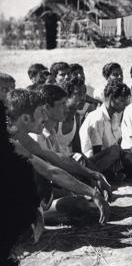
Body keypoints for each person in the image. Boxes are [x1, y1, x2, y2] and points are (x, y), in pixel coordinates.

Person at [7, 89, 110, 227]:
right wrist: (92, 193)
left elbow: (56, 158)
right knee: (37, 178)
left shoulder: (20, 135)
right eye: (41, 112)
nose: (45, 117)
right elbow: (50, 171)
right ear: (25, 118)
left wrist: (93, 174)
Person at [79, 80, 129, 180]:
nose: (125, 104)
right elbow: (96, 152)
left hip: (109, 158)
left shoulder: (114, 116)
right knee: (116, 151)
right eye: (122, 100)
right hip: (93, 162)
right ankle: (105, 175)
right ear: (111, 98)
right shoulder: (97, 118)